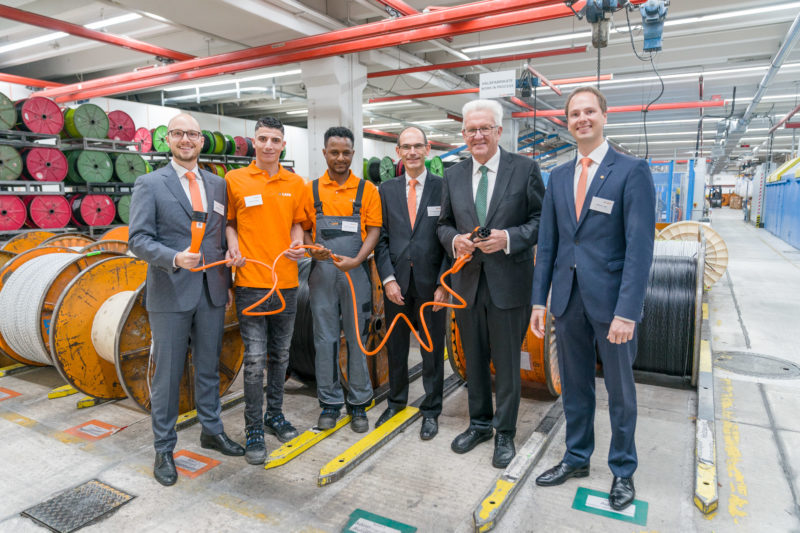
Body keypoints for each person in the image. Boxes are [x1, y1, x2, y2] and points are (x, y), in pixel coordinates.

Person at [530, 86, 655, 511]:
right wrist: (539, 302)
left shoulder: (631, 170)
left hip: (612, 303)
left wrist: (628, 311)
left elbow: (640, 248)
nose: (581, 118)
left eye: (589, 111)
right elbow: (548, 244)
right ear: (566, 122)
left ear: (604, 115)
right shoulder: (559, 177)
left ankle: (623, 469)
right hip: (567, 301)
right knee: (575, 387)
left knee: (620, 392)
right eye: (573, 113)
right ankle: (577, 457)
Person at [129, 113, 244, 487]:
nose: (186, 140)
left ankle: (211, 429)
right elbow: (138, 240)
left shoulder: (217, 184)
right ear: (169, 140)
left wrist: (227, 273)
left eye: (192, 134)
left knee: (209, 367)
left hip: (211, 291)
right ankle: (164, 448)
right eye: (178, 133)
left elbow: (220, 233)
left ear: (201, 140)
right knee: (167, 375)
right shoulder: (150, 184)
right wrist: (175, 258)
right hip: (170, 291)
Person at [437, 99, 545, 468]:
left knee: (506, 362)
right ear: (463, 134)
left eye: (485, 128)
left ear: (499, 131)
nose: (478, 135)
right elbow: (443, 224)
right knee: (474, 361)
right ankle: (479, 424)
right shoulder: (452, 175)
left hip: (509, 283)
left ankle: (505, 433)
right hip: (467, 282)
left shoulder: (525, 169)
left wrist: (509, 238)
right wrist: (455, 241)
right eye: (471, 130)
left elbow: (540, 220)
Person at [224, 117, 307, 465]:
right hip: (249, 284)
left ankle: (275, 414)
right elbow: (229, 222)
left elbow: (297, 222)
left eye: (276, 139)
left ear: (283, 144)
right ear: (252, 142)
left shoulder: (295, 182)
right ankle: (254, 427)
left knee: (281, 356)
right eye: (263, 139)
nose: (270, 145)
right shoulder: (235, 180)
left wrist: (298, 242)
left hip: (286, 281)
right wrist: (232, 247)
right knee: (255, 359)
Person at [303, 126, 382, 433]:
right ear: (324, 153)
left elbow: (374, 229)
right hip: (322, 276)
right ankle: (329, 403)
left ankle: (359, 403)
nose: (340, 158)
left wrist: (359, 259)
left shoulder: (368, 191)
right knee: (325, 340)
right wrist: (313, 250)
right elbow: (304, 228)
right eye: (334, 152)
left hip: (356, 274)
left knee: (358, 340)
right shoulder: (310, 191)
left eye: (346, 152)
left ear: (353, 154)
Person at [373, 126, 449, 440]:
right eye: (407, 147)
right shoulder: (386, 190)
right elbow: (381, 240)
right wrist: (388, 279)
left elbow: (450, 239)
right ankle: (397, 401)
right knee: (397, 347)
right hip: (397, 284)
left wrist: (445, 282)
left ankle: (431, 410)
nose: (413, 152)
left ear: (428, 149)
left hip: (433, 285)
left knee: (432, 351)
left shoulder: (445, 188)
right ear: (398, 153)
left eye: (418, 146)